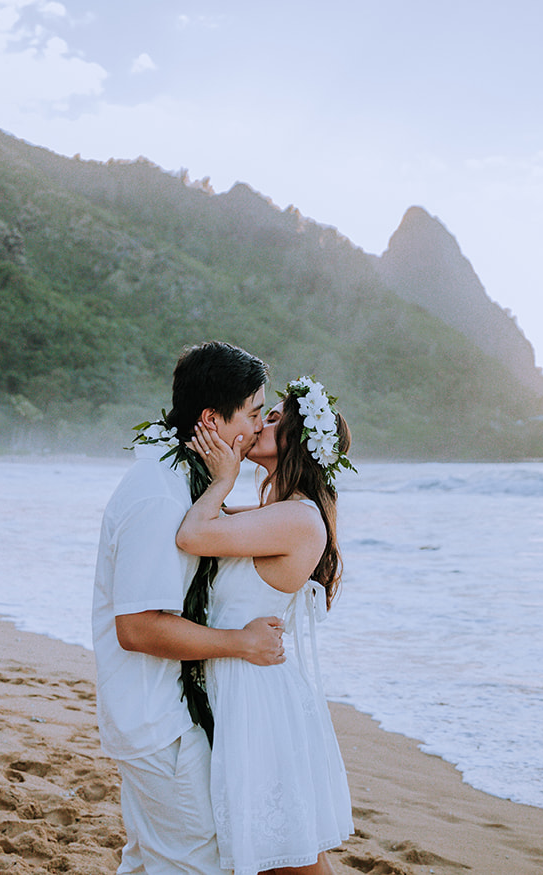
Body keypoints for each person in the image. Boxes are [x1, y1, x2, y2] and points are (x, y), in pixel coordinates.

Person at [92, 341, 288, 875]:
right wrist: (242, 643)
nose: (256, 427)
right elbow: (136, 628)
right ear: (211, 419)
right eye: (251, 413)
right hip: (157, 718)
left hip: (160, 711)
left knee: (154, 859)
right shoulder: (160, 495)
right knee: (195, 861)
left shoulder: (181, 481)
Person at [176, 375, 356, 875]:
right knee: (287, 854)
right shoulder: (272, 512)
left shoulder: (297, 519)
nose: (258, 424)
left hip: (256, 695)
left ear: (296, 441)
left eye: (272, 418)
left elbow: (193, 535)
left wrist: (222, 478)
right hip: (244, 682)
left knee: (291, 860)